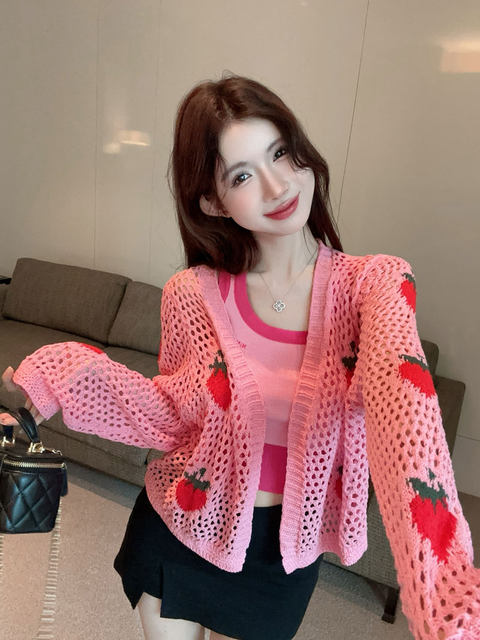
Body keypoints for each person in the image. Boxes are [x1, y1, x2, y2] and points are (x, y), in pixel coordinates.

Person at [1, 74, 479, 640]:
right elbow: (172, 412)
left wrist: (444, 593)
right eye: (243, 175)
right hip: (180, 524)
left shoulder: (375, 287)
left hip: (281, 556)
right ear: (212, 200)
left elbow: (405, 410)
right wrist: (57, 375)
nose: (278, 186)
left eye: (280, 152)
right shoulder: (190, 294)